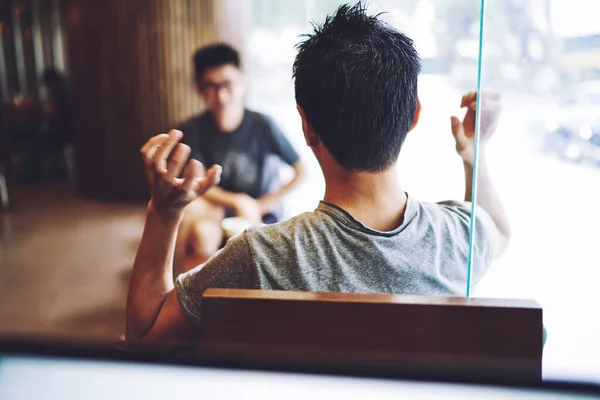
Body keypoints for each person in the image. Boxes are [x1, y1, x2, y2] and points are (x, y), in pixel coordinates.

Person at [126, 3, 510, 346]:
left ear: (306, 127)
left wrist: (163, 211)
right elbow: (499, 231)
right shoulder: (458, 236)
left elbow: (144, 334)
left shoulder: (258, 256)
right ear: (413, 116)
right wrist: (475, 156)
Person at [175, 44, 307, 273]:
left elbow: (301, 171)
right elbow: (197, 182)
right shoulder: (193, 130)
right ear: (198, 88)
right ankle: (194, 294)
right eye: (211, 86)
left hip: (260, 210)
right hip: (216, 207)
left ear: (242, 82)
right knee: (200, 232)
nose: (221, 95)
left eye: (227, 84)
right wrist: (236, 201)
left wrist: (262, 203)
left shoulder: (262, 124)